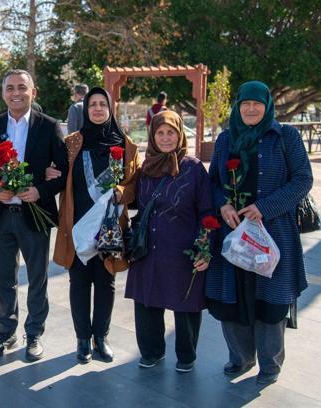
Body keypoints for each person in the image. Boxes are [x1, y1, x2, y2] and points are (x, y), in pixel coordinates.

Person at [205, 81, 313, 385]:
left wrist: (265, 207)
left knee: (270, 301)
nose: (251, 109)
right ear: (237, 106)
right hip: (233, 235)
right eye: (245, 104)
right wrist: (223, 204)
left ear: (267, 105)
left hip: (272, 233)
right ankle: (240, 358)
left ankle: (270, 365)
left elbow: (303, 179)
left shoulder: (285, 136)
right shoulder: (227, 139)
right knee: (234, 296)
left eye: (257, 103)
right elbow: (213, 181)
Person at [0, 69, 68, 362]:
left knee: (37, 277)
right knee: (4, 278)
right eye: (10, 88)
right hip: (1, 215)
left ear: (33, 92)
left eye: (22, 87)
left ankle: (34, 333)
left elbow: (63, 173)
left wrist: (40, 189)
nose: (16, 92)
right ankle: (6, 332)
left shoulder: (49, 126)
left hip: (34, 215)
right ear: (3, 94)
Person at [52, 87, 139, 364]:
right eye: (93, 105)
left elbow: (134, 183)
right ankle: (82, 339)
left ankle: (101, 336)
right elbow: (58, 174)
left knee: (106, 281)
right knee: (79, 282)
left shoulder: (125, 144)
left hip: (110, 226)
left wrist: (123, 193)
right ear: (85, 109)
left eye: (103, 104)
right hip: (78, 226)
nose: (98, 109)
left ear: (110, 109)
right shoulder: (73, 143)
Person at [125, 110, 213, 373]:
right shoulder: (146, 167)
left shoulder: (194, 168)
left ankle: (186, 356)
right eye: (160, 133)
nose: (165, 138)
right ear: (152, 136)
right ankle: (151, 351)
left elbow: (207, 211)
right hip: (148, 248)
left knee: (185, 304)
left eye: (170, 132)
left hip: (181, 248)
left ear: (179, 134)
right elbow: (133, 203)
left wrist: (204, 249)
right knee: (146, 301)